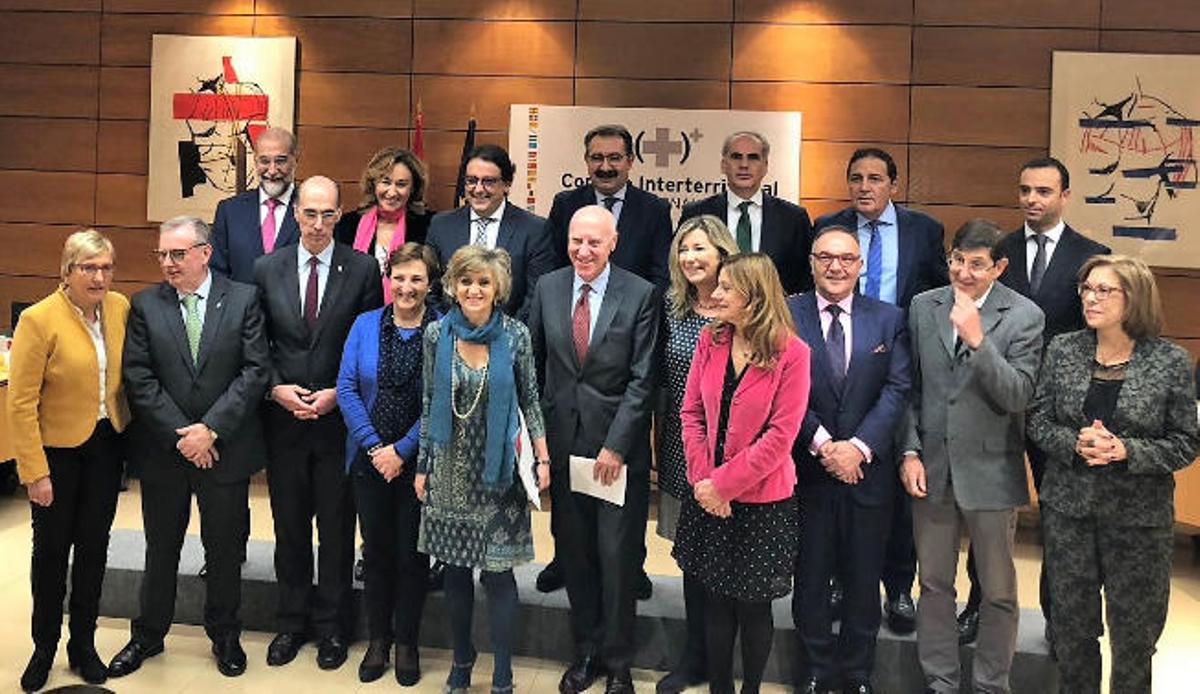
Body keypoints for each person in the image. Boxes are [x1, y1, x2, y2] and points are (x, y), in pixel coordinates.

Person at [1028, 254, 1199, 694]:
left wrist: (1126, 450)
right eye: (1086, 288)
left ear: (1134, 297)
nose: (1090, 297)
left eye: (1104, 290)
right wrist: (1074, 444)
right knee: (1072, 633)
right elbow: (1039, 420)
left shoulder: (1171, 361)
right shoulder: (1064, 349)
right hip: (1069, 515)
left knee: (1135, 640)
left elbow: (1185, 442)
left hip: (1139, 523)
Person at [959, 156, 1111, 645]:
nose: (1032, 199)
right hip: (997, 401)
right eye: (1025, 190)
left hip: (1061, 408)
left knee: (1060, 519)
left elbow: (1097, 334)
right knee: (989, 513)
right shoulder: (994, 251)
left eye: (1043, 191)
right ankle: (978, 607)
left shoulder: (1092, 254)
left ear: (1065, 195)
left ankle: (1058, 618)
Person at [109, 216, 269, 679]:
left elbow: (254, 371)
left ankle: (225, 636)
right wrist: (185, 435)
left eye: (177, 254)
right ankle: (148, 635)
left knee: (223, 550)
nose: (168, 263)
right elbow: (138, 378)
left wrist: (211, 430)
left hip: (225, 450)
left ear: (204, 252)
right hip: (166, 452)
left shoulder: (243, 299)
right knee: (161, 548)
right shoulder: (145, 305)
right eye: (162, 255)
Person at [899, 219, 1044, 694]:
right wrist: (910, 450)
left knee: (999, 592)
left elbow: (1018, 394)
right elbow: (910, 389)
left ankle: (989, 684)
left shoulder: (1025, 316)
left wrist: (980, 341)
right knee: (935, 583)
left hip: (991, 470)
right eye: (957, 260)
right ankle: (940, 681)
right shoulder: (924, 306)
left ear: (999, 267)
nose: (963, 272)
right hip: (932, 468)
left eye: (976, 264)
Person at [814, 147, 949, 634]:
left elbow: (937, 294)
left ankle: (897, 587)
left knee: (895, 481)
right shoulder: (829, 225)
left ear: (894, 183)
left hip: (897, 364)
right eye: (856, 178)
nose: (864, 186)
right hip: (837, 362)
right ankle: (834, 581)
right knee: (835, 483)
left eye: (875, 178)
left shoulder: (923, 231)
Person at [253, 176, 383, 671]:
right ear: (294, 214)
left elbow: (371, 340)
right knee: (288, 529)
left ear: (340, 214)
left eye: (328, 214)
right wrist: (274, 387)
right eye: (309, 213)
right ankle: (291, 624)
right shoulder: (267, 268)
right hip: (283, 422)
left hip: (338, 422)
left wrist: (339, 394)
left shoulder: (363, 268)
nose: (317, 224)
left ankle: (332, 628)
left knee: (335, 529)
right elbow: (255, 343)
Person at [529, 205, 659, 694]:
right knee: (576, 553)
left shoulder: (641, 294)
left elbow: (644, 380)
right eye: (576, 241)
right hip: (563, 450)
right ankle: (585, 650)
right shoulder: (548, 287)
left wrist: (617, 446)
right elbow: (535, 366)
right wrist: (540, 447)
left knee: (617, 558)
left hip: (615, 456)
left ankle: (619, 661)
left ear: (614, 242)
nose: (584, 251)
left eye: (594, 243)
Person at [539, 124, 668, 598]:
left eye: (615, 157)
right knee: (570, 505)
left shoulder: (653, 210)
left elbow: (660, 272)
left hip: (625, 332)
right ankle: (564, 561)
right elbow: (557, 265)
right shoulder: (564, 205)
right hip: (572, 344)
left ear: (631, 161)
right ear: (586, 160)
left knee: (620, 509)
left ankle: (628, 570)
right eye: (597, 157)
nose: (606, 165)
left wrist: (624, 305)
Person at [414, 244, 550, 694]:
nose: (474, 289)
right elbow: (429, 401)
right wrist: (423, 466)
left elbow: (531, 399)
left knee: (498, 575)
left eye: (484, 282)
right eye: (466, 281)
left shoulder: (515, 335)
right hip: (449, 471)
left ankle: (505, 671)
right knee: (454, 572)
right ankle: (461, 660)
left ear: (498, 289)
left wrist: (542, 456)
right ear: (453, 285)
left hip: (499, 475)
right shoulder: (437, 335)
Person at [674, 252, 810, 694]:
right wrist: (703, 481)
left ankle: (750, 688)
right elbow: (691, 412)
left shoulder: (793, 353)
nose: (716, 294)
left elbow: (780, 436)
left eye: (727, 288)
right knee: (714, 602)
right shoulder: (709, 340)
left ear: (754, 296)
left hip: (762, 503)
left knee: (752, 608)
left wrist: (724, 484)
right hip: (707, 494)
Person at [787, 226, 911, 694]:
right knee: (812, 575)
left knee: (863, 578)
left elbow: (897, 388)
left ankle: (858, 673)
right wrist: (823, 445)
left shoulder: (889, 318)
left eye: (846, 258)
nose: (835, 266)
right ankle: (816, 669)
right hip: (809, 471)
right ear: (813, 262)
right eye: (825, 257)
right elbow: (783, 391)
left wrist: (858, 447)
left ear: (860, 265)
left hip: (869, 472)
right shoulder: (788, 314)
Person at [8, 230, 130, 691]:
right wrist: (33, 472)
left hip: (104, 447)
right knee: (52, 554)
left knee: (94, 551)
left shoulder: (119, 308)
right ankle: (44, 647)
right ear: (67, 271)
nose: (99, 277)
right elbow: (19, 404)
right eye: (89, 267)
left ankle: (84, 645)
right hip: (55, 454)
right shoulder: (39, 320)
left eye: (106, 267)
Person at [337, 243, 440, 684]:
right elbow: (345, 388)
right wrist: (377, 448)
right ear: (388, 279)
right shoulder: (363, 325)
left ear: (430, 284)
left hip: (419, 466)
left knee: (412, 557)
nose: (406, 286)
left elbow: (442, 399)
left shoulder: (443, 330)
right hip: (369, 461)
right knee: (376, 554)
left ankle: (408, 643)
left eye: (416, 278)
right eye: (399, 277)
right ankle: (379, 640)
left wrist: (402, 451)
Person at [654, 215, 739, 694]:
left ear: (722, 253)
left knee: (727, 561)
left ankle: (725, 661)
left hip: (732, 457)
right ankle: (695, 659)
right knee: (691, 558)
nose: (691, 258)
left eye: (701, 248)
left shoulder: (741, 310)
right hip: (680, 450)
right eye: (684, 249)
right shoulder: (671, 308)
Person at [426, 144, 554, 321]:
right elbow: (430, 288)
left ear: (507, 184)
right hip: (450, 337)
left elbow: (535, 296)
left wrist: (509, 335)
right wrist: (448, 328)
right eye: (471, 180)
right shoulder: (441, 225)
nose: (478, 189)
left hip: (509, 341)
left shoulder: (535, 230)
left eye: (488, 181)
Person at [680, 131, 813, 294]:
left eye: (753, 157)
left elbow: (805, 277)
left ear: (765, 166)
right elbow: (680, 269)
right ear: (723, 165)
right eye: (736, 157)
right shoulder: (696, 213)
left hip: (775, 316)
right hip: (711, 313)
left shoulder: (793, 218)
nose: (744, 165)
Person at [334, 146, 434, 294]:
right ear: (374, 184)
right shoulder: (347, 225)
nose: (392, 192)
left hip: (409, 312)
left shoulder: (429, 225)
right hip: (357, 314)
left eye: (401, 184)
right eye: (386, 182)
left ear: (413, 188)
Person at [210, 127, 301, 283]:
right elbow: (216, 272)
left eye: (280, 161)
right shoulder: (230, 211)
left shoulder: (311, 210)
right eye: (265, 161)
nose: (272, 170)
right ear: (255, 160)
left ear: (295, 160)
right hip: (239, 306)